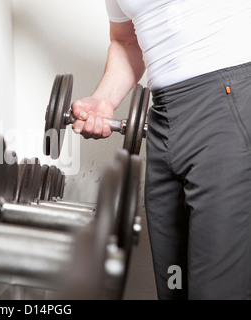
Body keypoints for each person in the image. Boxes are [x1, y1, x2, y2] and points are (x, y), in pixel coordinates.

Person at [71, 0, 251, 300]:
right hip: (163, 118)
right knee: (173, 285)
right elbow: (125, 39)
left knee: (218, 291)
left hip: (228, 102)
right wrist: (104, 100)